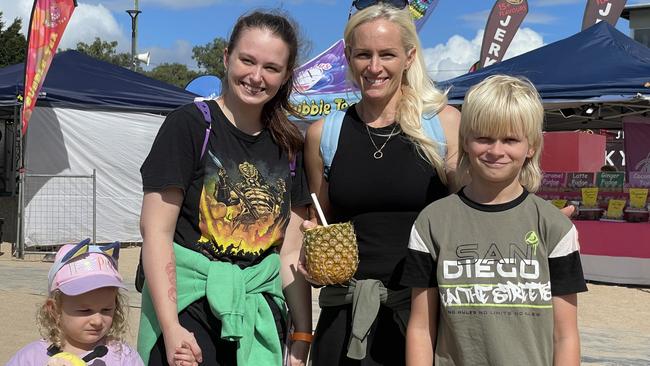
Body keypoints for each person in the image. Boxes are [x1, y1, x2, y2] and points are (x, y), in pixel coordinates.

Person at [137, 10, 312, 366]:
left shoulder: (291, 145)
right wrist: (171, 329)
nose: (256, 76)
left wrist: (302, 335)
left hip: (260, 314)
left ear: (286, 75)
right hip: (189, 311)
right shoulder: (188, 126)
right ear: (226, 56)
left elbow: (290, 253)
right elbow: (156, 232)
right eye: (247, 60)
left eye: (271, 68)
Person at [301, 3, 461, 365]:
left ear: (409, 57)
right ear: (348, 56)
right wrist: (307, 253)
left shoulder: (444, 125)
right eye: (363, 55)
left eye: (386, 54)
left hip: (423, 316)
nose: (374, 67)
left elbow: (473, 204)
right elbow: (319, 222)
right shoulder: (325, 134)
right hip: (344, 317)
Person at [402, 75, 588, 366]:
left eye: (510, 139)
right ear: (465, 141)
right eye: (484, 138)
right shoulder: (432, 223)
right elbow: (421, 328)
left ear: (531, 146)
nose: (496, 151)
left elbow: (565, 335)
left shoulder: (555, 227)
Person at [7, 238, 144, 366]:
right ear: (54, 310)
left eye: (106, 310)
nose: (97, 321)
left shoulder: (123, 357)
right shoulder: (32, 357)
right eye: (85, 311)